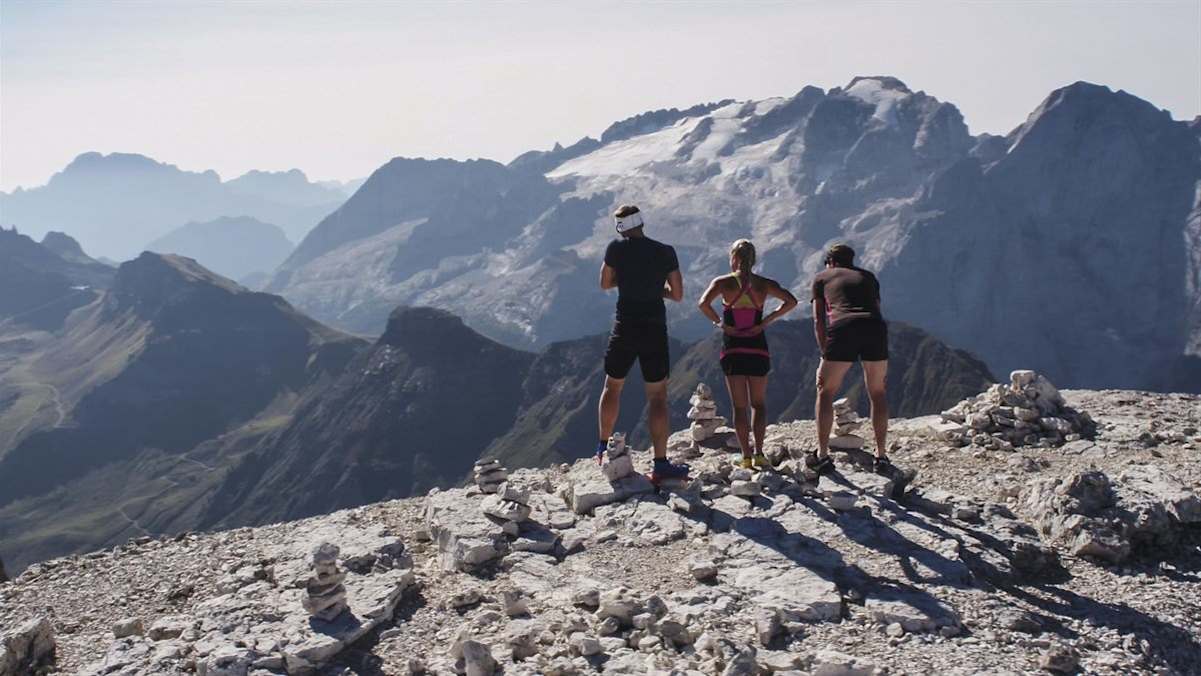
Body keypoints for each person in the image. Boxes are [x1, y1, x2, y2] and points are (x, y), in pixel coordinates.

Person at [596, 205, 690, 482]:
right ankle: (660, 463)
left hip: (625, 326)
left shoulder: (616, 248)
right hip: (654, 329)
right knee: (658, 396)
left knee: (612, 386)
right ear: (642, 223)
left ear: (620, 227)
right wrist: (654, 287)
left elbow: (604, 283)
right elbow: (678, 295)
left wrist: (628, 281)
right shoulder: (665, 251)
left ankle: (603, 447)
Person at [698, 239, 798, 469]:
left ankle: (745, 457)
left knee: (739, 407)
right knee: (759, 405)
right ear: (753, 260)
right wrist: (765, 322)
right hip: (757, 348)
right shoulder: (764, 284)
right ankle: (760, 454)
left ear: (734, 258)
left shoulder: (723, 283)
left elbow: (703, 304)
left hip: (733, 348)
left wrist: (720, 323)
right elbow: (791, 301)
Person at [809, 243, 890, 474]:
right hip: (875, 328)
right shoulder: (869, 277)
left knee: (825, 390)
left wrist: (825, 349)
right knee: (877, 391)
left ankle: (822, 454)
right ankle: (881, 455)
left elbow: (818, 320)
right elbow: (876, 308)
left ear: (830, 262)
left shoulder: (822, 278)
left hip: (843, 327)